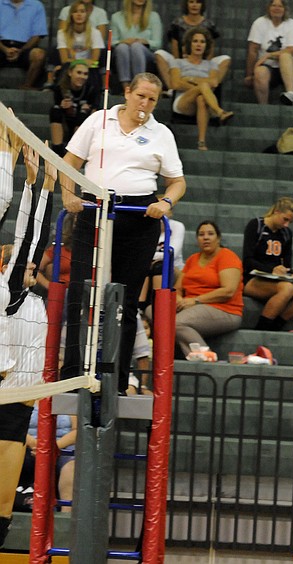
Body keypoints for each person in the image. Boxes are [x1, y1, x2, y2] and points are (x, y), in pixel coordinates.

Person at [60, 72, 186, 395]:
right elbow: (69, 161)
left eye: (152, 99)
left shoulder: (161, 133)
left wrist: (165, 202)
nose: (145, 103)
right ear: (127, 92)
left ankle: (117, 378)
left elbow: (177, 181)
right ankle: (72, 371)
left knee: (127, 300)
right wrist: (68, 194)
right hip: (94, 209)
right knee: (81, 292)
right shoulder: (98, 120)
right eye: (141, 95)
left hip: (139, 215)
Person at [0, 138, 56, 548]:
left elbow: (37, 244)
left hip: (21, 401)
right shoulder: (8, 292)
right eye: (21, 262)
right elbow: (29, 239)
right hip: (6, 396)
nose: (33, 265)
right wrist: (36, 185)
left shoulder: (32, 299)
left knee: (3, 510)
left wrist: (46, 186)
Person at [173, 220, 243, 358]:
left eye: (210, 234)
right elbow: (178, 288)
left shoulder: (227, 256)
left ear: (218, 238)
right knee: (152, 312)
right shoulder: (192, 259)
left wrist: (196, 300)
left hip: (223, 309)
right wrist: (179, 298)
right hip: (189, 306)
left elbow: (228, 291)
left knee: (175, 322)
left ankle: (205, 356)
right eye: (201, 234)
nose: (205, 237)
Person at [241, 197, 293, 331]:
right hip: (252, 278)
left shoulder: (286, 234)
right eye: (285, 219)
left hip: (276, 279)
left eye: (290, 222)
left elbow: (287, 265)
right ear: (276, 212)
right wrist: (271, 270)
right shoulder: (256, 225)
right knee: (287, 288)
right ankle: (261, 329)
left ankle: (275, 326)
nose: (287, 225)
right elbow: (247, 261)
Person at [170, 27, 235, 150]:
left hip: (204, 101)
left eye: (202, 42)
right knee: (204, 87)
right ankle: (220, 112)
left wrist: (189, 79)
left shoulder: (212, 65)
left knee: (201, 99)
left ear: (206, 45)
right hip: (183, 101)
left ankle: (202, 142)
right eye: (195, 41)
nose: (199, 45)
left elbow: (214, 83)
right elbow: (175, 84)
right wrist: (201, 85)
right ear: (189, 44)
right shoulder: (178, 62)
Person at [155, 0, 230, 95]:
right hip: (181, 60)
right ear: (186, 4)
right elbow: (174, 48)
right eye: (191, 2)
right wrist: (181, 63)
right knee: (159, 54)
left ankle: (210, 89)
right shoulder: (177, 23)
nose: (194, 5)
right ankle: (172, 89)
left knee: (225, 59)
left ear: (202, 5)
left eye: (198, 2)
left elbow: (210, 49)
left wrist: (202, 63)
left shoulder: (209, 24)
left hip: (203, 61)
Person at [245, 0, 293, 106]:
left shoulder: (292, 24)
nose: (277, 8)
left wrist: (269, 55)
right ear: (269, 8)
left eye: (280, 6)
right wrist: (249, 75)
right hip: (268, 67)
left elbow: (292, 50)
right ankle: (263, 107)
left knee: (285, 56)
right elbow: (252, 50)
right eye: (274, 5)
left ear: (285, 9)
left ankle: (291, 95)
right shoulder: (259, 23)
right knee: (259, 72)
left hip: (291, 67)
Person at [22, 407, 77, 513]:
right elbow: (14, 426)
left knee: (71, 466)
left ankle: (66, 515)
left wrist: (53, 448)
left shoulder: (68, 401)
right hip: (28, 446)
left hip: (62, 447)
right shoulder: (22, 399)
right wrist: (38, 446)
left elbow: (77, 430)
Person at [48, 60, 99, 156]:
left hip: (82, 122)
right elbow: (57, 103)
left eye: (85, 74)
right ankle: (57, 149)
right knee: (55, 110)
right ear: (70, 72)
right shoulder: (60, 87)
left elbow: (95, 111)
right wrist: (62, 105)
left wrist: (87, 108)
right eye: (79, 73)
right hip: (65, 120)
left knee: (83, 113)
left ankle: (75, 151)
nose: (82, 77)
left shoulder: (91, 88)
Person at [51, 1, 104, 92]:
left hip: (87, 66)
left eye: (82, 11)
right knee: (64, 68)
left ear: (87, 14)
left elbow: (94, 62)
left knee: (94, 70)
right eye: (75, 11)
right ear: (71, 14)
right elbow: (64, 60)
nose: (79, 14)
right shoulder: (62, 33)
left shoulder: (95, 33)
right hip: (71, 65)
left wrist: (76, 61)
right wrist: (83, 62)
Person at [110, 0, 163, 90]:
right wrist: (123, 41)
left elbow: (157, 43)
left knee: (136, 47)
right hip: (122, 52)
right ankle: (126, 86)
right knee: (122, 47)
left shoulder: (154, 16)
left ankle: (139, 84)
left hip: (147, 54)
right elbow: (112, 42)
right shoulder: (116, 17)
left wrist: (143, 41)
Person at [0, 0, 47, 90]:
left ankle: (27, 86)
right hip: (1, 45)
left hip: (25, 47)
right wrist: (5, 49)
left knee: (39, 55)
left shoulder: (37, 5)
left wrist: (21, 50)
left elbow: (37, 35)